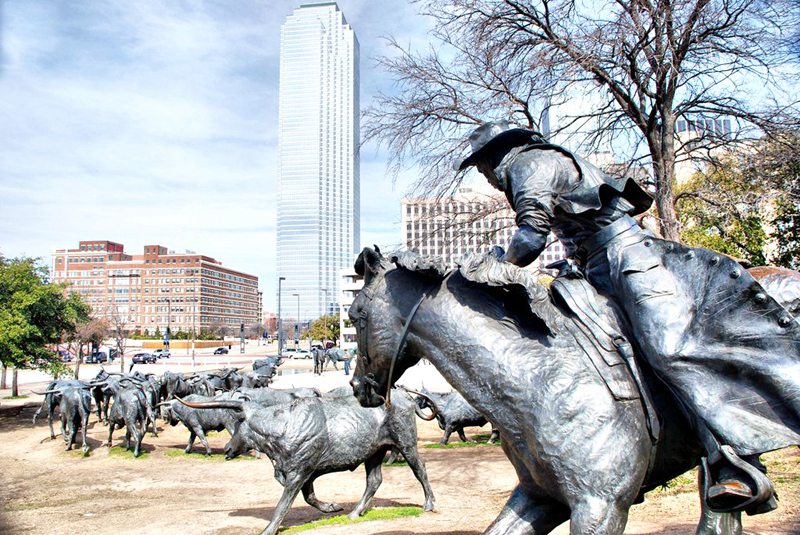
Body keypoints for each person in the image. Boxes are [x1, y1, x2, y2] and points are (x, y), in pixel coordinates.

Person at [459, 121, 800, 514]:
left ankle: (738, 464)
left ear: (499, 153)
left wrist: (488, 269)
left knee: (670, 349)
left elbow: (531, 235)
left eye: (483, 165)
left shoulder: (528, 165)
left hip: (626, 259)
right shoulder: (530, 167)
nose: (485, 176)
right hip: (590, 268)